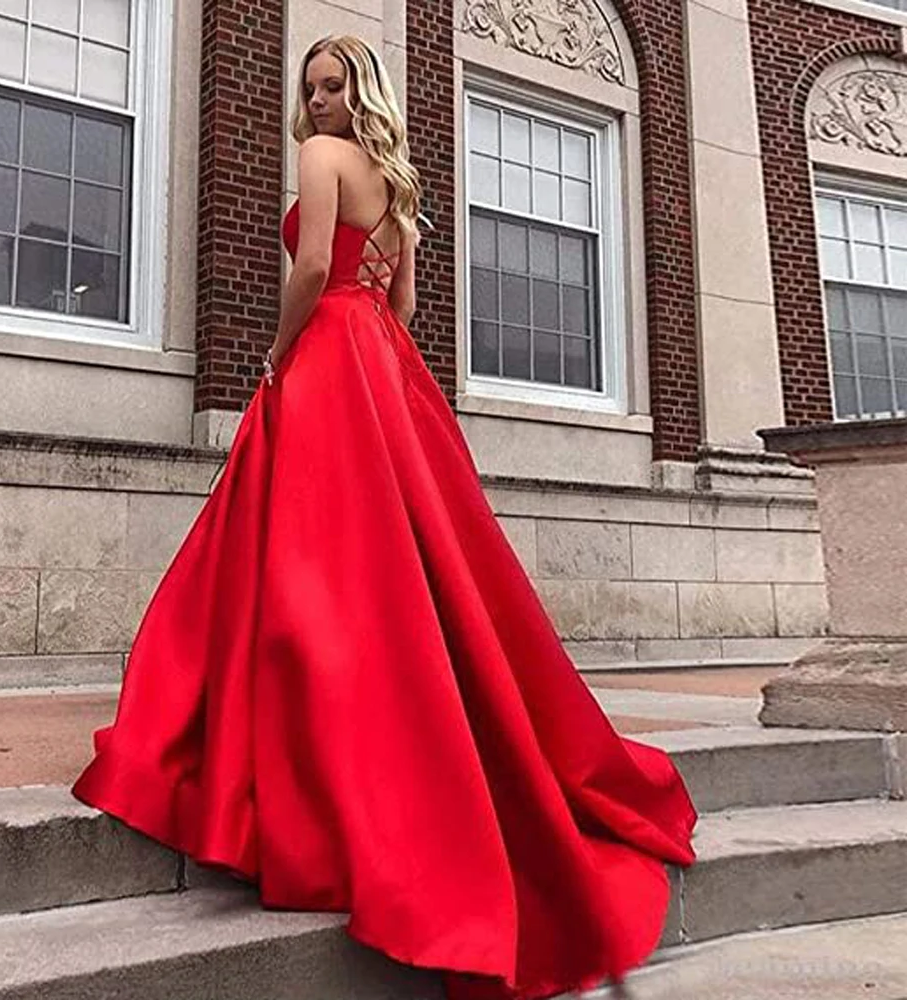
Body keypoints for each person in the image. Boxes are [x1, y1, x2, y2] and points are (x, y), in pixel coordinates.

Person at [72, 34, 697, 1000]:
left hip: (326, 359)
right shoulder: (399, 186)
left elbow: (314, 266)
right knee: (401, 564)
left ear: (356, 92)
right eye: (311, 87)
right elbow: (399, 303)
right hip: (383, 369)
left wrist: (283, 357)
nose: (318, 102)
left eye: (332, 86)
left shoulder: (321, 161)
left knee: (308, 567)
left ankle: (296, 774)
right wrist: (378, 372)